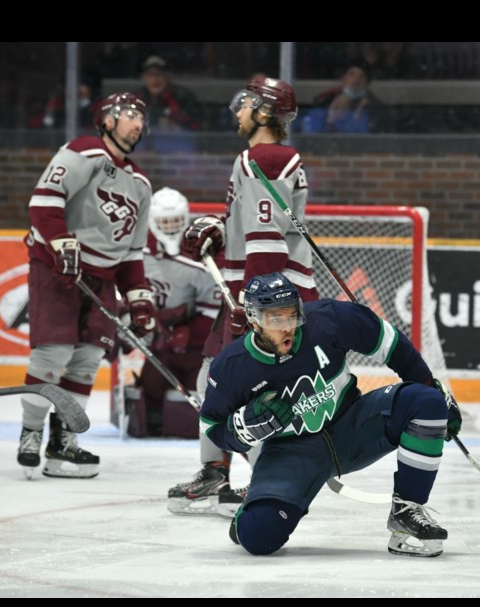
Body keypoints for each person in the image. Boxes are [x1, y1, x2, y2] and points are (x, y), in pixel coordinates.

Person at [203, 273, 462, 557]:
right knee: (258, 537)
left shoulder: (330, 318)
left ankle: (406, 510)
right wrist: (242, 430)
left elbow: (391, 344)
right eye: (276, 319)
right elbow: (213, 428)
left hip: (352, 425)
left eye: (293, 316)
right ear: (254, 320)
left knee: (426, 401)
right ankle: (252, 509)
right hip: (292, 453)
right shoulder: (231, 366)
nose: (288, 327)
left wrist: (428, 386)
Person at [167, 77, 317, 516]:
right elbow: (250, 222)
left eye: (245, 103)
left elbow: (268, 241)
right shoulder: (262, 158)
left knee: (250, 391)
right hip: (254, 295)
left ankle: (270, 481)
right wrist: (218, 227)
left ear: (264, 111)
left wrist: (260, 310)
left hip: (263, 299)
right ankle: (216, 473)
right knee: (213, 380)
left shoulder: (265, 158)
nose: (237, 111)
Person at [18, 92, 155, 478]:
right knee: (53, 354)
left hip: (103, 279)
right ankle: (30, 433)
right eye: (129, 115)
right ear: (107, 120)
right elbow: (45, 201)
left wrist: (138, 298)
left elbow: (132, 253)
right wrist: (62, 243)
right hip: (57, 270)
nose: (138, 124)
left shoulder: (141, 184)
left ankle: (63, 443)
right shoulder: (85, 152)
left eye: (142, 118)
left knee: (86, 360)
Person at [131, 187, 221, 437]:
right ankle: (153, 424)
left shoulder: (200, 256)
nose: (170, 227)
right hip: (160, 343)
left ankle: (204, 428)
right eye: (164, 222)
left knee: (202, 382)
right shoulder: (138, 252)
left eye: (175, 221)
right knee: (152, 378)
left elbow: (213, 307)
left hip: (194, 346)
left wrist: (189, 332)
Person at [306, 64, 389, 133]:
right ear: (344, 79)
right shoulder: (327, 100)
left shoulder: (375, 105)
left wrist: (361, 110)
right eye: (352, 74)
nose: (356, 79)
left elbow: (379, 132)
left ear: (366, 83)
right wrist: (331, 116)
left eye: (361, 76)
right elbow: (314, 131)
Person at [136, 55, 201, 131]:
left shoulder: (183, 97)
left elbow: (196, 129)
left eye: (159, 74)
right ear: (144, 78)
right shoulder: (136, 98)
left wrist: (175, 126)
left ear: (167, 77)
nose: (155, 79)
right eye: (150, 75)